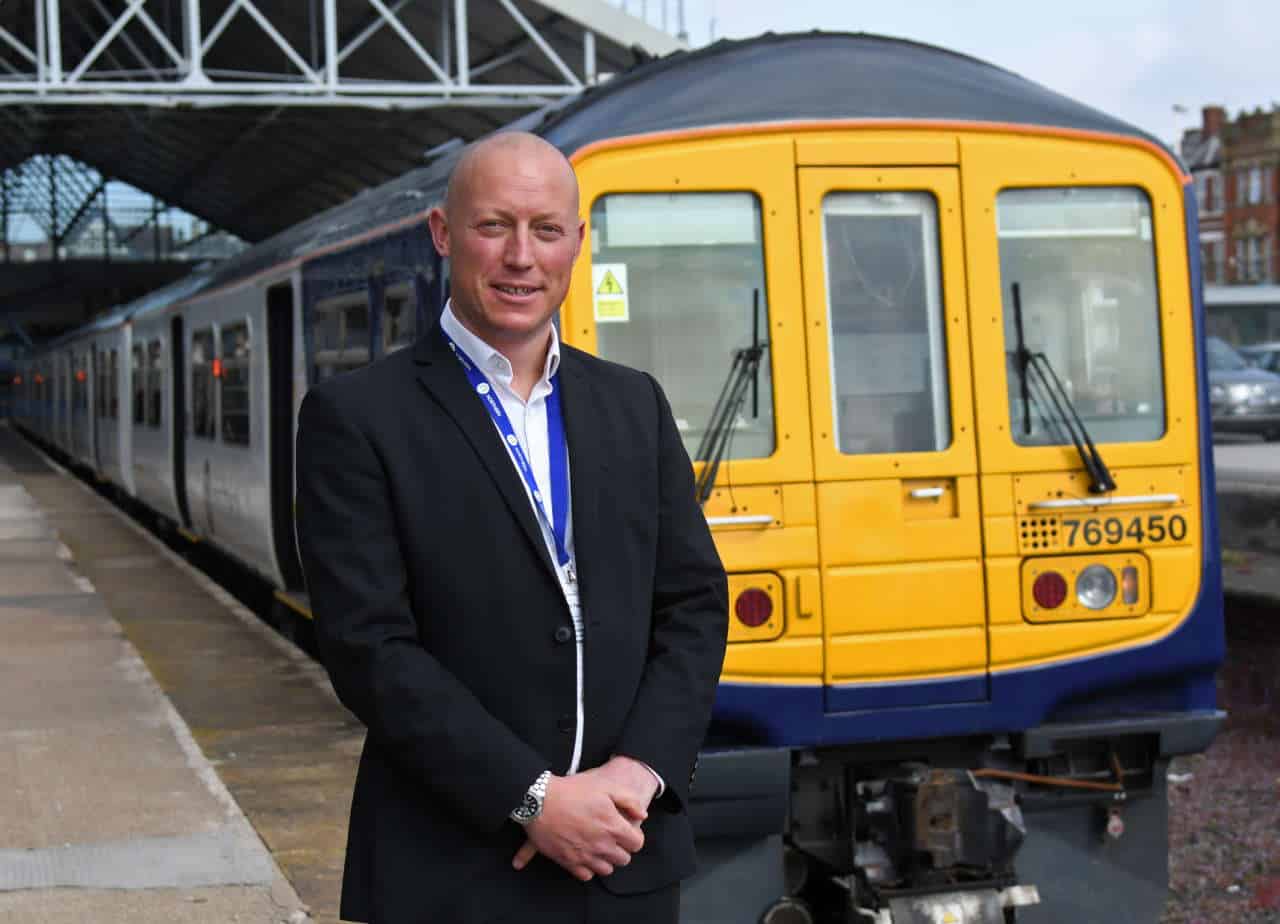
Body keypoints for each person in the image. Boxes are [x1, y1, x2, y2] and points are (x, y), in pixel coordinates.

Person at [294, 131, 729, 924]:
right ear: (442, 233)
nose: (521, 257)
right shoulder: (356, 418)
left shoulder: (634, 404)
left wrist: (638, 773)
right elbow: (370, 649)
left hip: (625, 859)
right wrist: (534, 800)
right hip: (453, 872)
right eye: (494, 226)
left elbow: (694, 603)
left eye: (546, 229)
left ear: (577, 242)